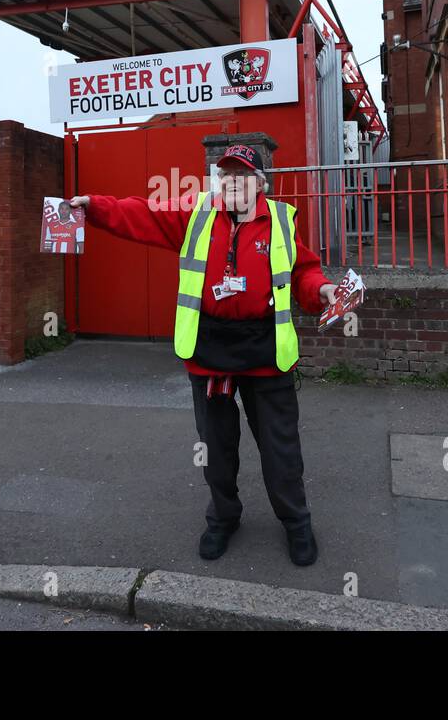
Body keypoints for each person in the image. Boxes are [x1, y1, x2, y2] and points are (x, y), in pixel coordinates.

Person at [69, 144, 336, 566]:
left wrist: (322, 291)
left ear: (259, 183)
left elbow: (305, 272)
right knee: (216, 449)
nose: (232, 181)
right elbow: (142, 214)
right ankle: (223, 518)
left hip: (265, 352)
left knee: (280, 449)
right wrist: (94, 207)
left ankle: (296, 522)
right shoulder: (196, 215)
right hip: (210, 351)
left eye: (242, 174)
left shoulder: (281, 221)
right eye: (224, 174)